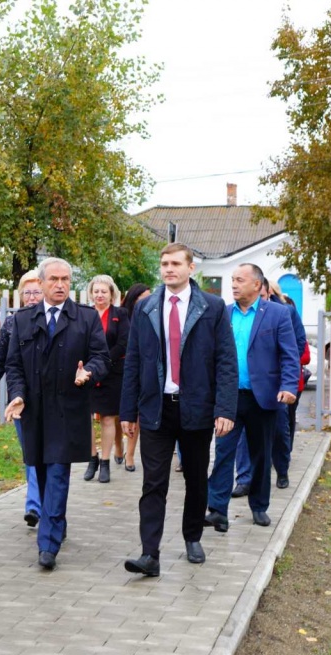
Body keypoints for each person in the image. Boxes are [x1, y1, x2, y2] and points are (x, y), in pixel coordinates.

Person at [120, 243, 238, 577]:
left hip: (196, 408)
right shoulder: (146, 309)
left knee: (196, 478)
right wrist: (128, 412)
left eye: (175, 264)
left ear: (191, 268)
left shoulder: (212, 308)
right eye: (164, 264)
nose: (169, 269)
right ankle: (150, 554)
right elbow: (134, 363)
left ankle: (192, 537)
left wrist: (225, 408)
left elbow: (226, 361)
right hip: (156, 409)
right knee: (153, 483)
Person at [3, 257, 110, 570]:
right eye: (54, 279)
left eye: (65, 279)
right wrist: (18, 394)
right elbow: (13, 365)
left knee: (59, 472)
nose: (61, 284)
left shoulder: (86, 318)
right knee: (42, 471)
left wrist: (88, 371)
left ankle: (47, 545)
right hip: (34, 410)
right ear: (42, 282)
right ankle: (57, 524)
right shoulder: (23, 319)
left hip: (67, 409)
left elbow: (102, 357)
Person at [206, 263, 299, 532]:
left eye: (240, 280)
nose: (234, 285)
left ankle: (259, 506)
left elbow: (289, 355)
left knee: (260, 454)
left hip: (264, 397)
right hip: (229, 397)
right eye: (232, 280)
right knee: (223, 453)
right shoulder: (222, 314)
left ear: (258, 286)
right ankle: (217, 510)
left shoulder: (278, 314)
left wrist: (289, 386)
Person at [233, 280, 307, 494]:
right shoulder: (237, 313)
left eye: (264, 297)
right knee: (243, 438)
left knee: (279, 432)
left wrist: (278, 369)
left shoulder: (285, 313)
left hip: (274, 387)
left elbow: (297, 344)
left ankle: (282, 470)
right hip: (244, 388)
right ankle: (244, 479)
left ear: (268, 292)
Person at [0, 270, 44, 527]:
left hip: (50, 401)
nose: (32, 297)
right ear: (21, 296)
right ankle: (34, 505)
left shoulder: (53, 319)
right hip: (20, 400)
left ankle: (47, 505)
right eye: (28, 292)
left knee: (49, 456)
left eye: (37, 291)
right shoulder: (12, 324)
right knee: (30, 452)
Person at [83, 275, 130, 483]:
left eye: (104, 291)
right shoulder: (84, 314)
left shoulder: (121, 314)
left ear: (112, 294)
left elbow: (123, 342)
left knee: (108, 418)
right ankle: (92, 458)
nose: (99, 295)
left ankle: (105, 463)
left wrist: (103, 361)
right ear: (91, 293)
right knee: (87, 417)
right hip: (88, 373)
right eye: (96, 291)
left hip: (112, 373)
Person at [120, 283, 152, 472]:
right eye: (142, 299)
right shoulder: (123, 316)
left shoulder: (152, 316)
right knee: (116, 417)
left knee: (136, 415)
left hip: (141, 372)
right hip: (119, 370)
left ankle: (130, 454)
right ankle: (118, 448)